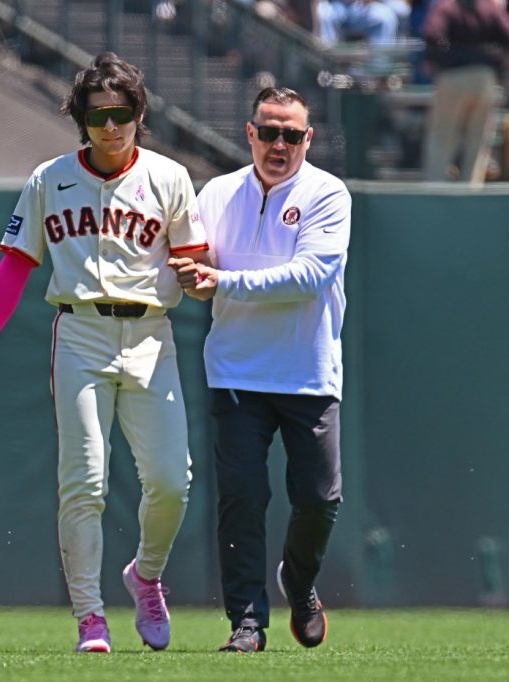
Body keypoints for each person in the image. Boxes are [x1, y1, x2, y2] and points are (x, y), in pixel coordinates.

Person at [0, 52, 209, 653]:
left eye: (122, 113)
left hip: (151, 335)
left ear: (138, 114)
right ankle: (90, 617)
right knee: (85, 482)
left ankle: (146, 576)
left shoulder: (169, 177)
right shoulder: (50, 177)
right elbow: (17, 264)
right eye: (98, 115)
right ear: (81, 119)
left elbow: (196, 259)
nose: (111, 126)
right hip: (81, 333)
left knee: (173, 482)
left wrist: (199, 276)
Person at [169, 87, 351, 653]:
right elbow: (195, 265)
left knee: (320, 498)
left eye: (291, 135)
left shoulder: (328, 193)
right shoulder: (218, 193)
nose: (279, 144)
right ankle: (246, 622)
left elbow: (309, 276)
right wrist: (193, 278)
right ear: (249, 133)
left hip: (308, 372)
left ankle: (297, 582)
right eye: (268, 132)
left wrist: (220, 281)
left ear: (307, 139)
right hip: (236, 373)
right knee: (242, 499)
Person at [421, 0, 509, 184]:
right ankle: (471, 187)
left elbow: (432, 35)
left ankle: (436, 185)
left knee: (443, 134)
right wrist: (497, 59)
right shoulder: (489, 7)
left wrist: (448, 53)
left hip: (452, 75)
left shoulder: (446, 7)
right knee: (478, 138)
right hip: (484, 77)